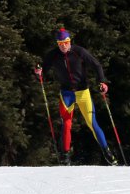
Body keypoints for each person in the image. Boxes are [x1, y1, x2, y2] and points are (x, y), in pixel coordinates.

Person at [41, 28, 118, 165]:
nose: (63, 46)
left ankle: (108, 153)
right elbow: (43, 70)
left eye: (65, 42)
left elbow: (96, 65)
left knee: (92, 123)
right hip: (66, 94)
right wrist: (38, 72)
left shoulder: (79, 51)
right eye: (60, 43)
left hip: (83, 93)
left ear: (69, 41)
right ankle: (65, 157)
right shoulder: (53, 55)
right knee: (66, 124)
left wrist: (102, 82)